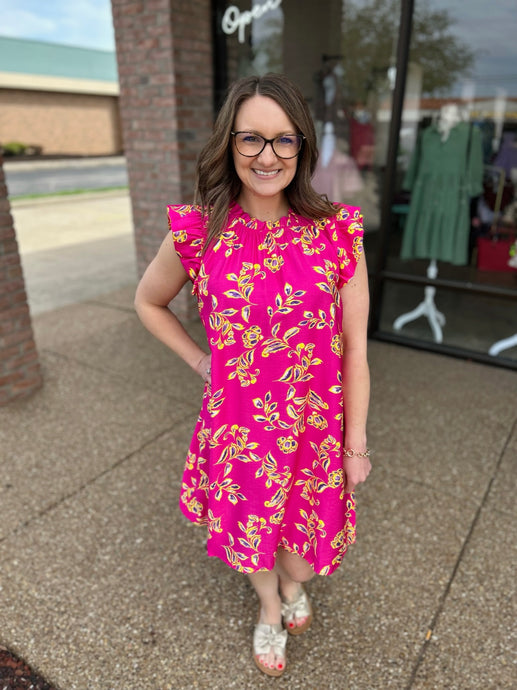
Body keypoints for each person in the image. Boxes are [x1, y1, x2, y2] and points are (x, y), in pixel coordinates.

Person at [134, 73, 371, 677]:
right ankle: (270, 607)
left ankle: (291, 587)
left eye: (283, 140)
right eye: (251, 140)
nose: (268, 157)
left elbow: (355, 351)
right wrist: (200, 361)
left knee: (303, 558)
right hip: (241, 430)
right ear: (229, 144)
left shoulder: (337, 233)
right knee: (254, 541)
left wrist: (356, 443)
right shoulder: (197, 231)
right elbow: (148, 302)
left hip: (314, 433)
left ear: (303, 147)